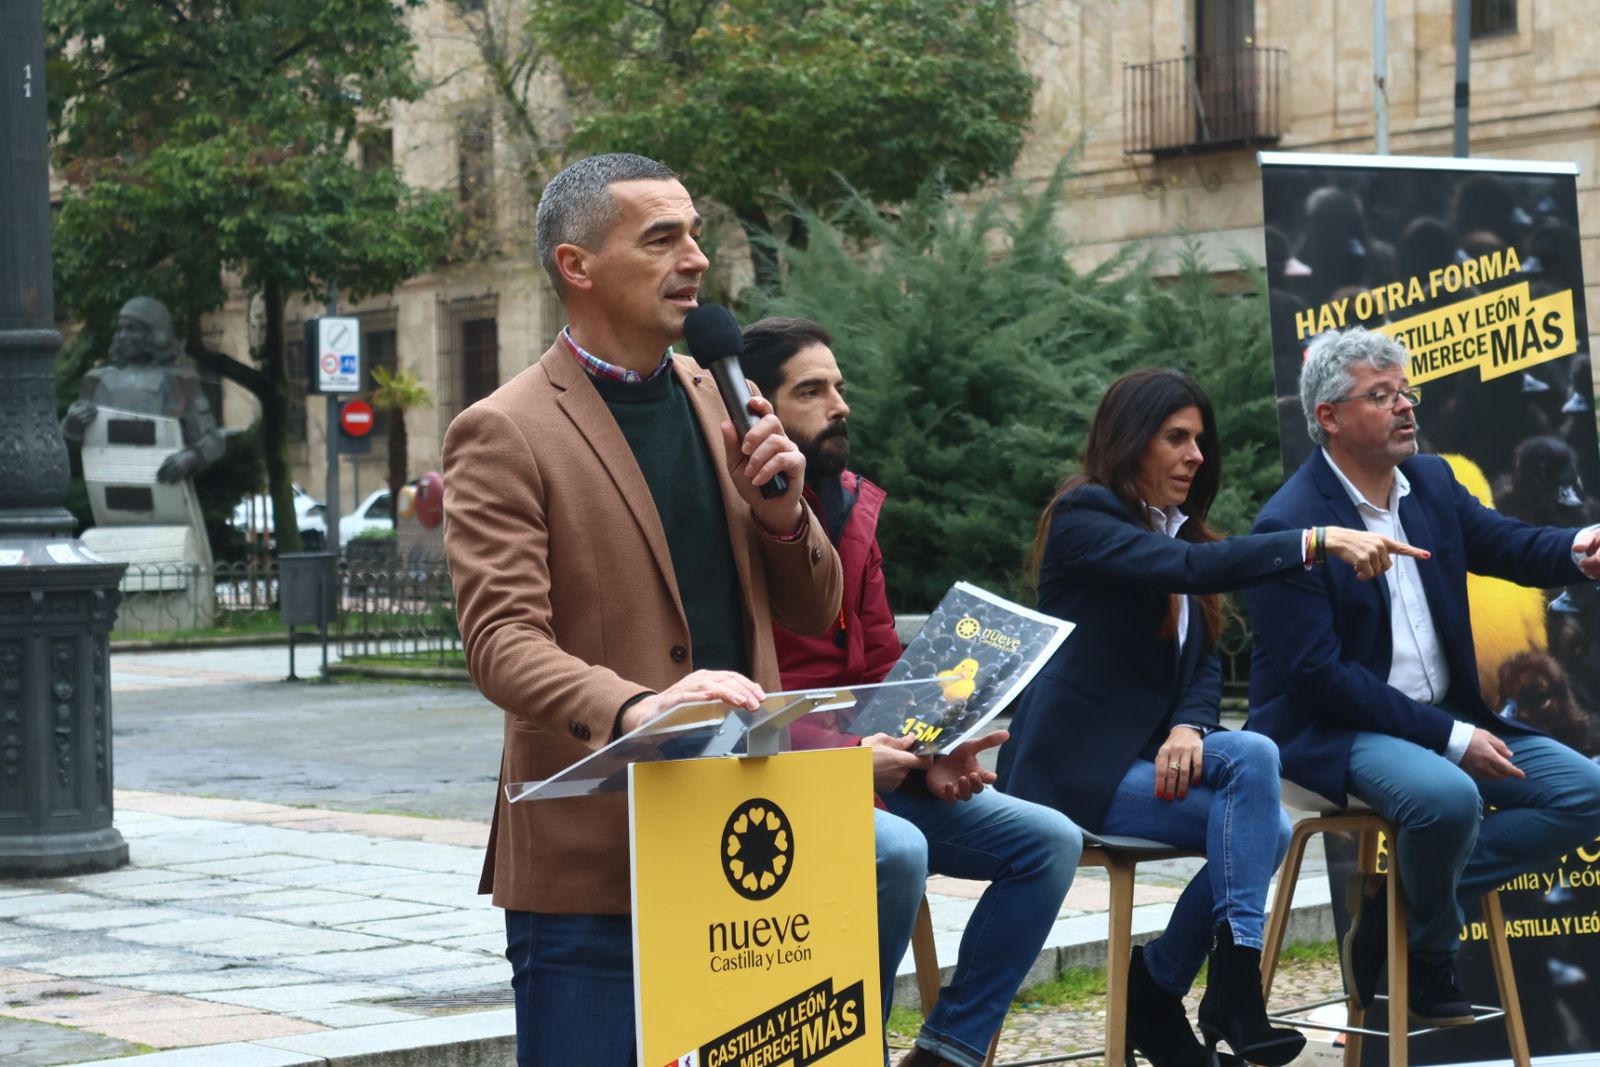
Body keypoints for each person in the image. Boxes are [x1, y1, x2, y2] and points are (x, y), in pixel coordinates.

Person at [442, 154, 842, 1065]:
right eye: (661, 238)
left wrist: (784, 514)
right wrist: (636, 708)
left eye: (693, 233)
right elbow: (501, 643)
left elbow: (816, 611)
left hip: (746, 846)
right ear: (577, 265)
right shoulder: (505, 429)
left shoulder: (722, 394)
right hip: (596, 862)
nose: (694, 258)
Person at [996, 369, 1423, 1067]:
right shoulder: (1086, 517)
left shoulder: (1180, 531)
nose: (1196, 454)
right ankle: (1191, 991)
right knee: (1265, 822)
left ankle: (1192, 985)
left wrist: (1190, 725)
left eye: (1199, 439)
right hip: (1073, 771)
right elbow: (1192, 569)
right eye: (1175, 438)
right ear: (1129, 440)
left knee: (1257, 780)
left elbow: (1200, 661)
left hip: (1151, 754)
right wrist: (1320, 539)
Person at [743, 317, 1082, 1067]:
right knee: (897, 850)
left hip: (876, 763)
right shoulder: (731, 519)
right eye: (812, 390)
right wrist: (843, 757)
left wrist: (936, 743)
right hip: (777, 770)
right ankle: (842, 1051)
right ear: (756, 410)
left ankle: (945, 1052)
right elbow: (741, 693)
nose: (840, 405)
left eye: (839, 385)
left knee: (1049, 840)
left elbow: (883, 656)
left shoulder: (856, 502)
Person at [1246, 326, 1600, 1027]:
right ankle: (1433, 951)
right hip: (1335, 728)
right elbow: (1319, 678)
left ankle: (1399, 902)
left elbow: (1503, 542)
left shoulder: (1433, 481)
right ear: (1330, 418)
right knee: (1445, 797)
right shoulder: (1290, 524)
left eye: (1405, 390)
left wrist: (1576, 547)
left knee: (1585, 793)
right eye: (1381, 395)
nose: (1406, 405)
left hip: (1441, 715)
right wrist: (1451, 736)